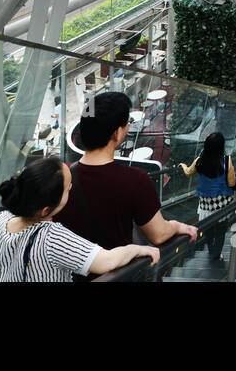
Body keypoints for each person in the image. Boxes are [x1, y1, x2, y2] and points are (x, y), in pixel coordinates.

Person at [0, 156, 158, 282]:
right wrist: (138, 249)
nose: (72, 188)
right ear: (47, 209)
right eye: (67, 189)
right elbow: (107, 261)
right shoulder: (51, 238)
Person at [55, 92, 197, 258]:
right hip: (118, 272)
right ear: (117, 133)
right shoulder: (135, 180)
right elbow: (159, 234)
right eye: (127, 123)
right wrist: (177, 226)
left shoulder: (60, 177)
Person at [179, 132, 236, 259]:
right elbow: (232, 182)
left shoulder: (199, 161)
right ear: (221, 146)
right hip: (222, 204)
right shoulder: (227, 160)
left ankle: (212, 251)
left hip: (206, 206)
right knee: (221, 230)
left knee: (209, 230)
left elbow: (189, 173)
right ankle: (216, 254)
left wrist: (184, 166)